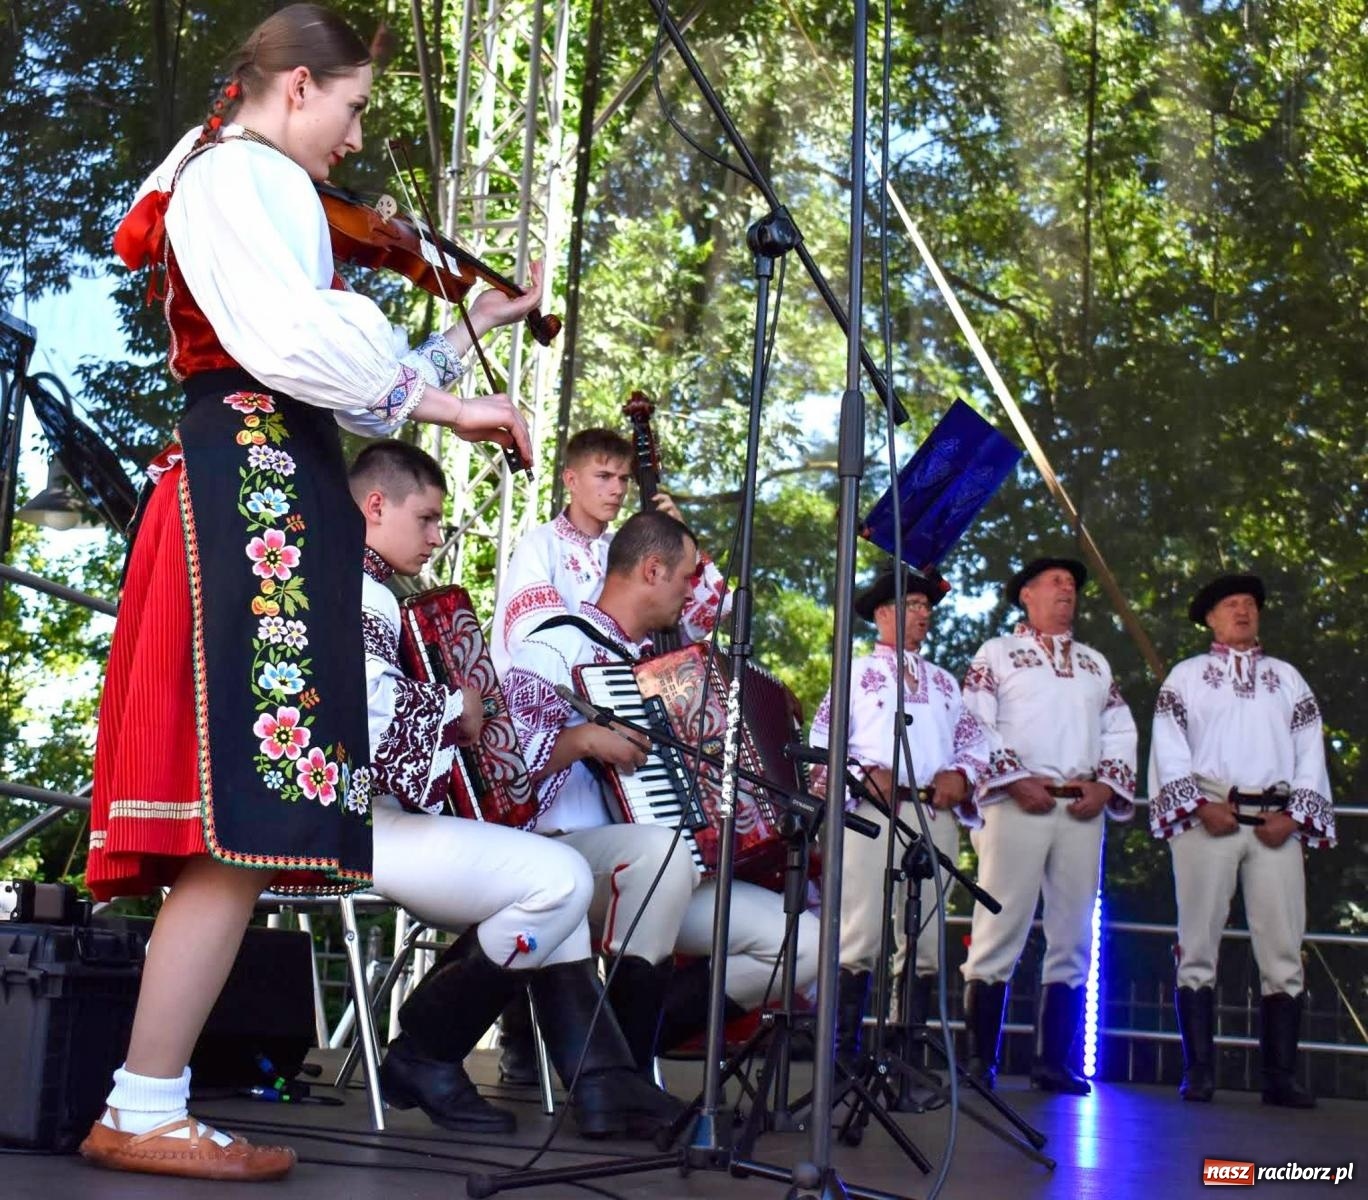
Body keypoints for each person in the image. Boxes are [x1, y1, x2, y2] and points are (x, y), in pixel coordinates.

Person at [81, 6, 535, 1181]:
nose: (353, 135)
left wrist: (470, 331)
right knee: (242, 815)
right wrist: (452, 406)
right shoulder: (240, 174)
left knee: (245, 823)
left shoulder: (243, 183)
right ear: (293, 86)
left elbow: (331, 372)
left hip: (271, 488)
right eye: (351, 106)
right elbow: (298, 345)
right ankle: (142, 1105)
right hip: (250, 495)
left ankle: (147, 1100)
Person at [348, 440, 682, 1138]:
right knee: (556, 879)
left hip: (384, 814)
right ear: (374, 506)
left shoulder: (374, 590)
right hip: (357, 819)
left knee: (553, 878)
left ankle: (598, 1079)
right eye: (428, 519)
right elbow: (371, 722)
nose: (439, 538)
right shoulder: (361, 590)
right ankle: (428, 1051)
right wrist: (456, 708)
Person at [500, 509, 819, 1075]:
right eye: (687, 576)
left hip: (662, 873)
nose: (692, 591)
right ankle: (615, 1077)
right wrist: (581, 740)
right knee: (661, 855)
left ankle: (614, 1049)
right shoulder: (555, 646)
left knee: (803, 941)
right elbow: (502, 775)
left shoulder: (671, 675)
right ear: (652, 569)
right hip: (563, 861)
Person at [809, 564, 1015, 1074]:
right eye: (913, 605)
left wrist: (961, 776)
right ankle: (842, 1053)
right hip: (873, 812)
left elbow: (976, 744)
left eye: (927, 607)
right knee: (858, 931)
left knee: (925, 936)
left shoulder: (946, 684)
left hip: (932, 812)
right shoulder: (854, 673)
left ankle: (906, 1051)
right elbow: (820, 740)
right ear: (883, 613)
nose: (924, 614)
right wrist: (859, 773)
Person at [1148, 573, 1334, 1108]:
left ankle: (1279, 1076)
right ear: (1210, 618)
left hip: (1275, 823)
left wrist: (1296, 815)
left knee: (1282, 948)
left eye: (1250, 603)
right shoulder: (1186, 678)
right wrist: (1200, 806)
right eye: (1231, 604)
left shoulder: (1287, 679)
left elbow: (1309, 754)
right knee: (1198, 942)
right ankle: (1199, 1071)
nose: (1243, 610)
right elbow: (1168, 748)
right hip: (1209, 817)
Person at [958, 557, 1137, 1094]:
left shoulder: (1095, 664)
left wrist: (1107, 785)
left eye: (1073, 585)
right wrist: (1013, 780)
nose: (1068, 590)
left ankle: (1053, 1063)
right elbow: (974, 720)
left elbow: (1120, 730)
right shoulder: (998, 653)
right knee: (998, 926)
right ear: (1026, 596)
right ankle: (977, 1062)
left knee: (1074, 932)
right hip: (1016, 806)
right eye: (1056, 582)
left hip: (1080, 808)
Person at [489, 427, 728, 677]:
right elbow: (535, 643)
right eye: (604, 476)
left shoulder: (627, 547)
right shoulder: (540, 545)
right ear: (571, 480)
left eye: (623, 478)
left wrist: (680, 541)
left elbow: (709, 614)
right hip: (560, 702)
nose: (618, 489)